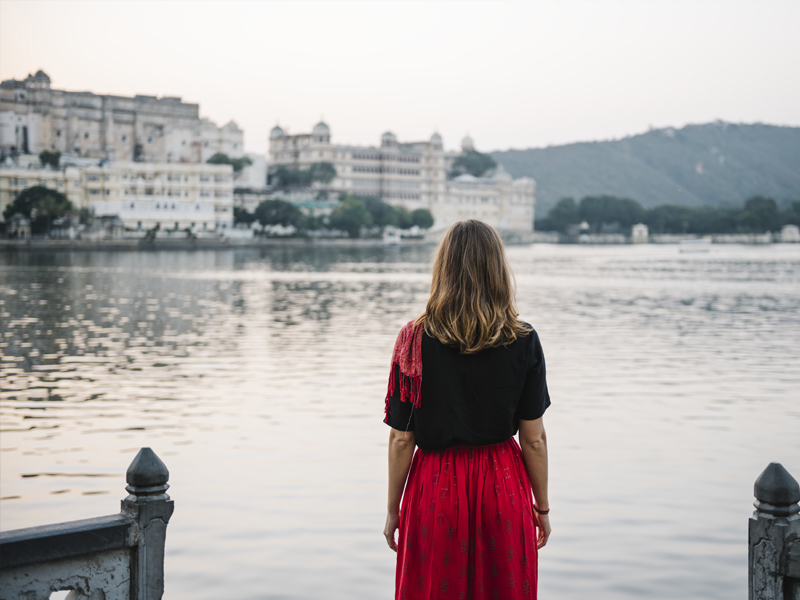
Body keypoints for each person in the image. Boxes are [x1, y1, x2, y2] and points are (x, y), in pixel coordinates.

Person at [383, 220, 551, 600]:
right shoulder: (523, 339)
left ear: (442, 269)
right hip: (502, 485)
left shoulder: (413, 339)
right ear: (497, 270)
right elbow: (534, 440)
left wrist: (393, 509)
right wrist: (541, 507)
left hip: (435, 487)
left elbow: (400, 438)